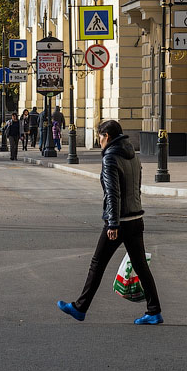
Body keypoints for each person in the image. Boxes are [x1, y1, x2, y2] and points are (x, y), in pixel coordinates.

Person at [57, 120, 162, 325]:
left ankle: (80, 307)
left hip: (119, 221)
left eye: (100, 136)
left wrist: (113, 223)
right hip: (135, 218)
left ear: (109, 137)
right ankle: (154, 310)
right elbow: (136, 188)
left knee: (97, 264)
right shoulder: (133, 155)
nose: (99, 140)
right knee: (141, 267)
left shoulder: (111, 157)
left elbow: (114, 193)